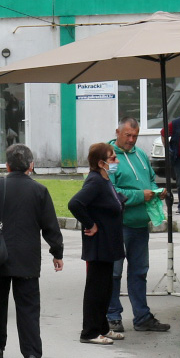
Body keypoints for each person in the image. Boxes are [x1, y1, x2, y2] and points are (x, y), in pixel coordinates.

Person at [0, 143, 64, 358]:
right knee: (28, 306)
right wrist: (56, 253)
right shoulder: (39, 191)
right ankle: (32, 354)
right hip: (27, 257)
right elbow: (50, 226)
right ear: (31, 166)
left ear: (7, 165)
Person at [109, 117, 171, 333]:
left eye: (135, 136)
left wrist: (156, 191)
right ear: (118, 132)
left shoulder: (141, 155)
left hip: (139, 225)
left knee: (139, 272)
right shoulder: (110, 157)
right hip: (118, 225)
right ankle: (112, 316)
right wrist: (139, 195)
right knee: (114, 273)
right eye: (128, 135)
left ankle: (142, 317)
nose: (132, 140)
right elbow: (110, 192)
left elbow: (151, 181)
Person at [68, 142, 126, 347]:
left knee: (105, 288)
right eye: (112, 158)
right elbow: (75, 203)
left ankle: (102, 327)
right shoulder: (94, 181)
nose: (116, 161)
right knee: (96, 288)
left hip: (108, 244)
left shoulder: (105, 179)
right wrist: (90, 224)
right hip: (99, 245)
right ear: (101, 162)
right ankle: (89, 331)